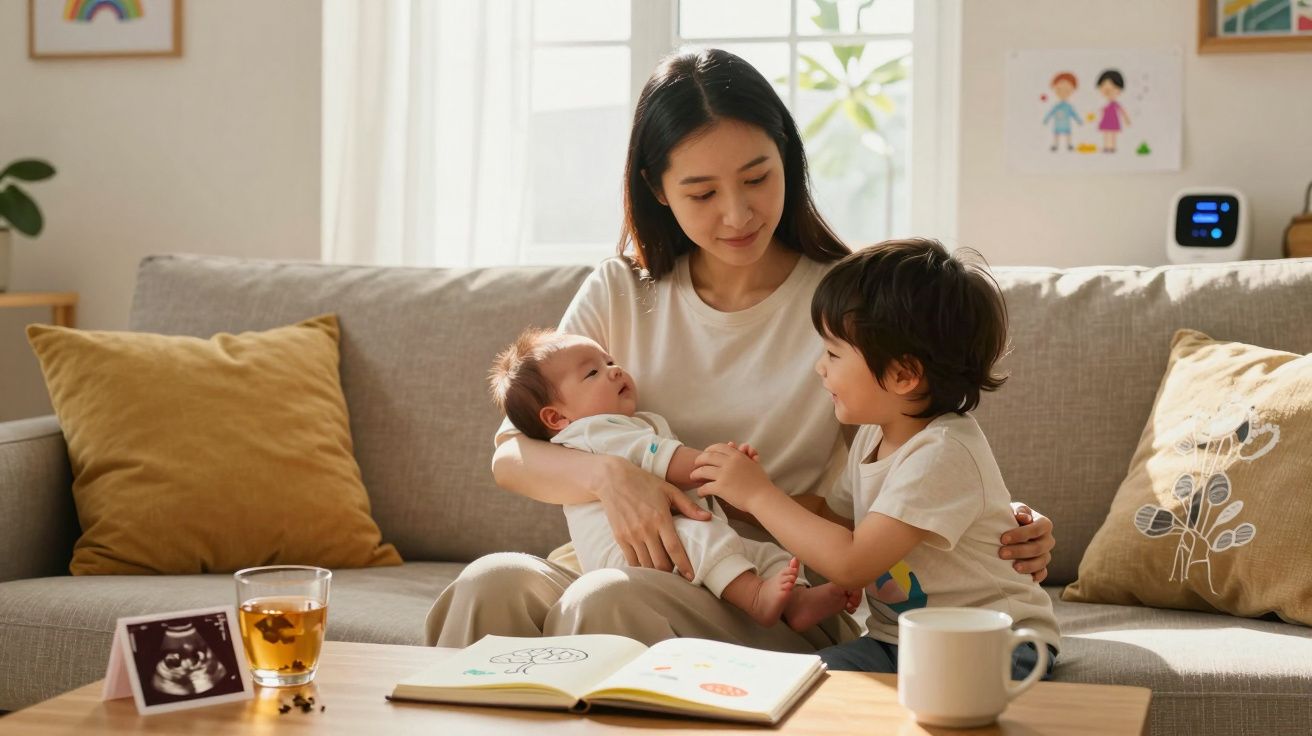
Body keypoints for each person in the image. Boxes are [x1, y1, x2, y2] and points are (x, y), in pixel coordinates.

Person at [425, 48, 1056, 653]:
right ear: (658, 189)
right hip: (609, 562)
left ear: (788, 156)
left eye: (757, 178)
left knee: (607, 601)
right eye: (702, 193)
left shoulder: (844, 307)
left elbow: (923, 441)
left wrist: (1004, 521)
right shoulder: (621, 291)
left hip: (765, 589)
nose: (737, 214)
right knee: (491, 584)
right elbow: (513, 455)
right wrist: (611, 476)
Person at [692, 239, 1060, 676]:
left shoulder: (942, 452)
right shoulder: (874, 436)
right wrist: (734, 495)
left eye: (833, 353)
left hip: (998, 642)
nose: (819, 368)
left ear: (903, 374)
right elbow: (832, 518)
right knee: (803, 684)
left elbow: (850, 563)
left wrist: (759, 496)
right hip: (897, 641)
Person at [487, 327, 860, 630]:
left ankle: (793, 600)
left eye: (610, 361)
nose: (614, 370)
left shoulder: (624, 424)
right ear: (555, 419)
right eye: (593, 372)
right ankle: (755, 597)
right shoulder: (594, 432)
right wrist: (721, 466)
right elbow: (668, 462)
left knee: (761, 552)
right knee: (702, 538)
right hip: (633, 551)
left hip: (667, 547)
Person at [1042, 71, 1081, 152]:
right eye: (1059, 89)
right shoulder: (1057, 106)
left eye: (1067, 90)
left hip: (1066, 124)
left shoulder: (1068, 106)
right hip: (1058, 124)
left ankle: (1069, 145)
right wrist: (1046, 119)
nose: (1063, 92)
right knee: (1056, 134)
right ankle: (1055, 145)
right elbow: (1050, 113)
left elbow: (1074, 114)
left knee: (1068, 134)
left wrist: (1079, 120)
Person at [1096, 69, 1130, 153]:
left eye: (1111, 89)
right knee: (1106, 134)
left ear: (1118, 90)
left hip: (1113, 121)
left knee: (1112, 134)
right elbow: (1102, 111)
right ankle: (1106, 146)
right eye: (1105, 90)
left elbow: (1122, 111)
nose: (1108, 92)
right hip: (1106, 121)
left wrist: (1126, 119)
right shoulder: (1106, 104)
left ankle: (1112, 147)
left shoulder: (1116, 104)